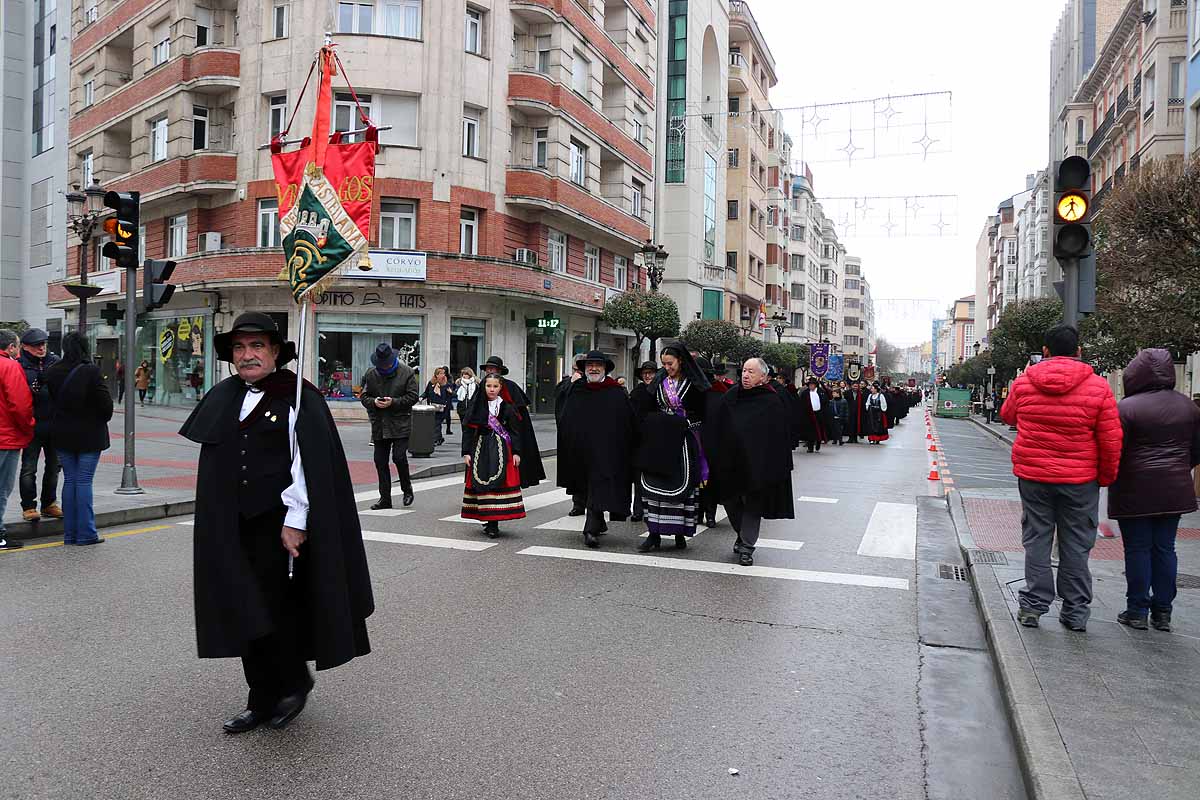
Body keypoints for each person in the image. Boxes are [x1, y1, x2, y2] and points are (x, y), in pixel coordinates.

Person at [179, 312, 373, 733]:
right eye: (239, 348)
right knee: (243, 609)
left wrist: (297, 520)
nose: (247, 356)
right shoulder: (224, 396)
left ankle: (293, 682)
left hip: (279, 523)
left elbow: (307, 466)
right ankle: (259, 698)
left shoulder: (297, 396)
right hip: (235, 525)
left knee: (277, 610)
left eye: (256, 347)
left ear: (274, 352)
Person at [1000, 324, 1122, 632]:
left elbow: (1007, 415)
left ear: (1045, 351)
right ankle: (1075, 611)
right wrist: (1105, 477)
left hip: (1034, 475)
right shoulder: (1099, 387)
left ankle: (1032, 606)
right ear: (1079, 351)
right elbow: (1110, 439)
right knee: (1077, 544)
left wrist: (1025, 376)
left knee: (1037, 539)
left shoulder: (1025, 382)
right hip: (1081, 480)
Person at [1107, 349, 1200, 632]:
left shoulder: (1126, 408)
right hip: (1174, 488)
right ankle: (1163, 611)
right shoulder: (1190, 408)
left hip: (1134, 489)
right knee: (1165, 547)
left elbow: (1116, 450)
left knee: (1137, 548)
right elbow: (1196, 450)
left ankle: (1136, 610)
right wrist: (1179, 468)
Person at [710, 358, 795, 566]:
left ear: (763, 377)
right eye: (744, 371)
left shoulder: (771, 401)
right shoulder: (732, 395)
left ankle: (747, 547)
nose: (745, 375)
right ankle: (742, 535)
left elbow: (778, 436)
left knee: (753, 505)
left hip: (759, 464)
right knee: (730, 501)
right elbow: (719, 424)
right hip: (731, 461)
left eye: (751, 372)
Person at [633, 342, 709, 551]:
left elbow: (702, 414)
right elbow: (646, 408)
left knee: (681, 487)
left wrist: (685, 424)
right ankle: (654, 533)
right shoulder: (659, 383)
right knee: (655, 486)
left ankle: (680, 533)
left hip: (683, 441)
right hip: (660, 440)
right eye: (664, 364)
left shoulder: (694, 386)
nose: (667, 368)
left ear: (681, 361)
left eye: (670, 363)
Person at [556, 350, 634, 548]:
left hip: (607, 451)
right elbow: (566, 417)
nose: (593, 368)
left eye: (597, 365)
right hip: (581, 451)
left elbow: (626, 423)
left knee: (597, 486)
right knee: (588, 487)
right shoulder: (577, 389)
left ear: (605, 368)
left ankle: (590, 529)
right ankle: (597, 522)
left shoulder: (615, 392)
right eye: (589, 365)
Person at [43, 334, 112, 546]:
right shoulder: (90, 370)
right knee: (83, 481)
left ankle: (70, 534)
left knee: (70, 480)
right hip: (89, 434)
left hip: (62, 433)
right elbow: (106, 406)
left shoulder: (52, 370)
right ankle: (86, 533)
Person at [461, 373, 526, 538]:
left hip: (501, 450)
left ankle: (493, 523)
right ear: (484, 387)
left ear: (500, 388)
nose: (492, 389)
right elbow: (468, 430)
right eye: (489, 386)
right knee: (482, 483)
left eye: (495, 386)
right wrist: (466, 452)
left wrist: (517, 452)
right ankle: (487, 518)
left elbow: (514, 432)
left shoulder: (506, 407)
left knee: (498, 484)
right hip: (480, 449)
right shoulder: (476, 406)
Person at [360, 343, 419, 510]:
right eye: (380, 365)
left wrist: (394, 402)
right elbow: (363, 396)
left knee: (399, 457)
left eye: (386, 364)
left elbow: (413, 396)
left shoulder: (407, 372)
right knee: (380, 461)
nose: (383, 367)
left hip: (400, 422)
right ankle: (385, 498)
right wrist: (374, 402)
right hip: (380, 424)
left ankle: (407, 490)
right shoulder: (371, 374)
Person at [473, 356, 545, 489]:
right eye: (488, 368)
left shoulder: (511, 386)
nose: (490, 371)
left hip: (508, 434)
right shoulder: (482, 386)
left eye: (493, 368)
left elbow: (520, 414)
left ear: (499, 371)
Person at [17, 328, 61, 522]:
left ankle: (49, 503)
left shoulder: (56, 362)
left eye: (43, 343)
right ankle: (28, 506)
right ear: (25, 347)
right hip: (31, 425)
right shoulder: (19, 366)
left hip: (54, 424)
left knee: (54, 466)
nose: (41, 348)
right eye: (36, 345)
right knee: (29, 467)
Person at [0, 329, 33, 550]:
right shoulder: (10, 366)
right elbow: (20, 405)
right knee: (2, 487)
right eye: (17, 347)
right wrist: (29, 427)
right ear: (11, 347)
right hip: (6, 437)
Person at [696, 357, 729, 528]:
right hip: (696, 441)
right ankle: (699, 513)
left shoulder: (719, 391)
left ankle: (709, 514)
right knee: (699, 481)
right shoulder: (693, 391)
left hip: (712, 443)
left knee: (710, 481)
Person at [627, 361, 658, 523]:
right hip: (638, 441)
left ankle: (652, 509)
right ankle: (637, 510)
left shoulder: (662, 391)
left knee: (653, 477)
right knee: (638, 478)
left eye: (651, 373)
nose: (647, 376)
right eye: (645, 373)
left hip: (656, 441)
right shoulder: (636, 392)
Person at [422, 366, 454, 446]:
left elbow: (453, 395)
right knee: (434, 424)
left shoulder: (447, 384)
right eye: (440, 373)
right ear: (436, 375)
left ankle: (436, 439)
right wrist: (421, 397)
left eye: (443, 373)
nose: (442, 375)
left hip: (442, 407)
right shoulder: (431, 383)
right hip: (433, 406)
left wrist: (450, 392)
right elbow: (426, 392)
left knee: (437, 423)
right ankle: (439, 438)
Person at [796, 376, 830, 453]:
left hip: (819, 414)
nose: (811, 386)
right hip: (809, 415)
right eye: (810, 385)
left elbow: (826, 400)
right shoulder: (805, 393)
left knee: (819, 430)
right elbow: (801, 404)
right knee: (810, 431)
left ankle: (818, 442)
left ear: (815, 385)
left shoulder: (821, 392)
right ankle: (810, 447)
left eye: (812, 384)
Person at [844, 380, 864, 444]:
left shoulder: (860, 393)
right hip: (849, 411)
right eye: (854, 386)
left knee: (856, 425)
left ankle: (855, 438)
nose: (855, 387)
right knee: (850, 425)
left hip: (857, 411)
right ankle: (850, 438)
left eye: (856, 386)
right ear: (851, 386)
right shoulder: (847, 393)